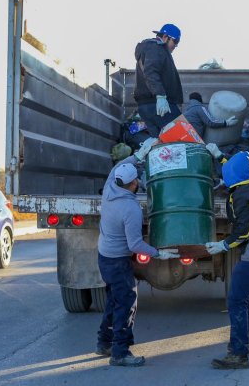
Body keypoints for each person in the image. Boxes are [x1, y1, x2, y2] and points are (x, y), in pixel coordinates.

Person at [97, 137, 180, 367]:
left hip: (104, 257)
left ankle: (104, 342)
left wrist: (140, 153)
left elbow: (117, 166)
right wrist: (158, 253)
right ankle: (120, 352)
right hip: (117, 261)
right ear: (134, 184)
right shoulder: (130, 208)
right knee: (126, 303)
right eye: (137, 180)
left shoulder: (109, 188)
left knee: (114, 299)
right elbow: (135, 245)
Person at [204, 144, 249, 370]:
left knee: (235, 300)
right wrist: (219, 156)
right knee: (242, 298)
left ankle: (238, 354)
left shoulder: (243, 195)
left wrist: (222, 245)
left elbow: (243, 231)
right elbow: (236, 169)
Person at [134, 24, 183, 138]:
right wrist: (160, 96)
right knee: (181, 138)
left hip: (149, 105)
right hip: (158, 105)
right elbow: (151, 71)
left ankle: (144, 152)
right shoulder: (155, 47)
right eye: (175, 41)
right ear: (165, 37)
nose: (175, 46)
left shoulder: (153, 49)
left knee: (159, 143)